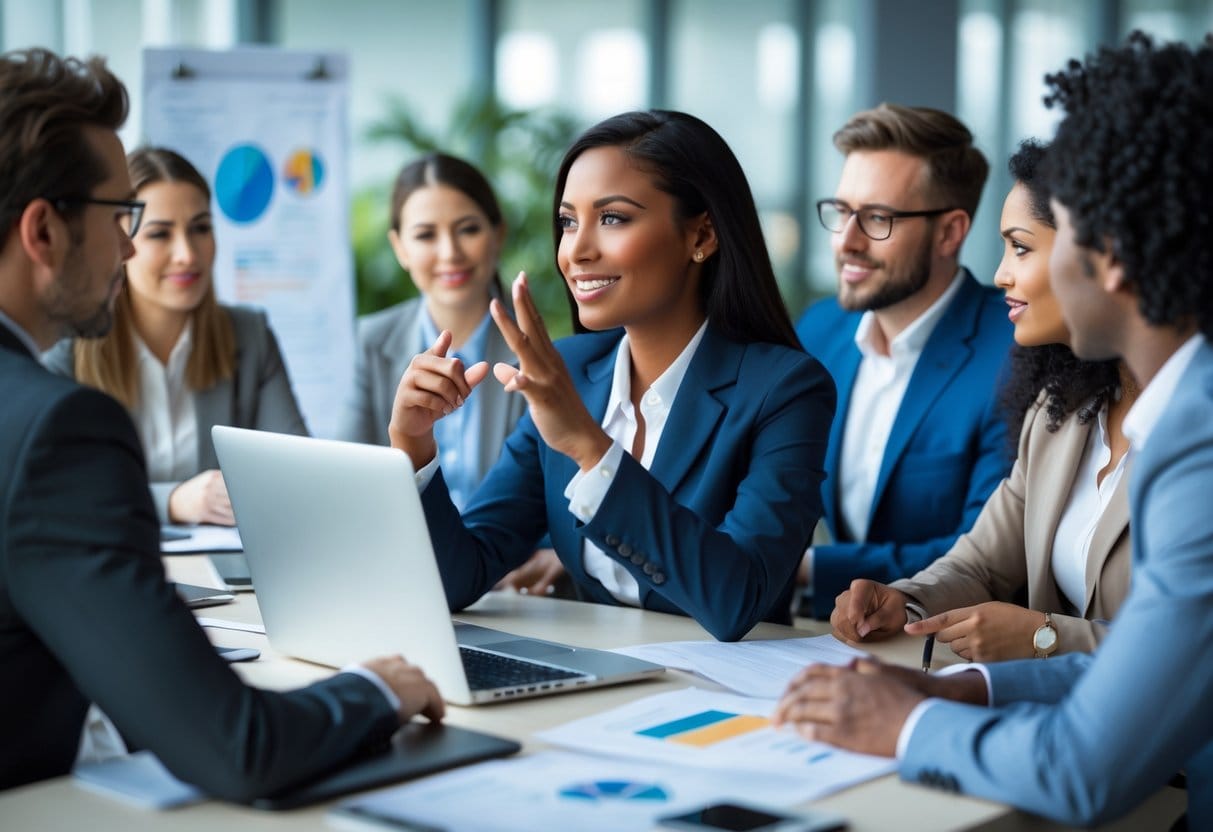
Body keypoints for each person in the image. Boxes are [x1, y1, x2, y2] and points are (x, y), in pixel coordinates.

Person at [774, 32, 1213, 826]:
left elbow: (1084, 767)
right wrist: (956, 680)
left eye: (1034, 242)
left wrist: (907, 722)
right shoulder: (1084, 403)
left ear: (1110, 252)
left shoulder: (1200, 444)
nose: (1001, 273)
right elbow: (1143, 660)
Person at [0, 48, 442, 798]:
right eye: (125, 217)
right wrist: (374, 688)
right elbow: (238, 747)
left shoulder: (240, 334)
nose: (134, 245)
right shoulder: (57, 427)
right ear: (43, 232)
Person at [389, 110, 836, 642]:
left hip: (728, 698)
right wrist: (413, 445)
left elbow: (736, 599)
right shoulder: (571, 370)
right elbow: (459, 576)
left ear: (702, 234)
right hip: (599, 680)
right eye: (568, 221)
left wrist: (589, 446)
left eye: (613, 218)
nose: (576, 251)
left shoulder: (786, 389)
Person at [830, 140, 1133, 662]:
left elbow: (1195, 648)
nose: (1000, 275)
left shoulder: (1193, 428)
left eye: (1020, 247)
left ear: (1103, 253)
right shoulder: (1060, 412)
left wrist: (1045, 637)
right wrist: (904, 600)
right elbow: (981, 564)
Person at [795, 104, 1014, 619]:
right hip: (826, 637)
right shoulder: (819, 329)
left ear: (949, 233)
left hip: (949, 646)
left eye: (876, 218)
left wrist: (802, 566)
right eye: (840, 211)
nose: (845, 241)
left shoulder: (1015, 352)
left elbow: (986, 553)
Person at [43, 147, 306, 526]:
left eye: (200, 228)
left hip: (226, 571)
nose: (187, 254)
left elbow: (297, 473)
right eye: (160, 234)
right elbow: (57, 492)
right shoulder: (67, 347)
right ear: (121, 243)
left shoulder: (250, 336)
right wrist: (171, 502)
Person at [337, 152, 561, 594]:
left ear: (497, 234)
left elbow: (559, 486)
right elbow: (347, 479)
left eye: (468, 229)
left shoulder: (539, 353)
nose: (450, 253)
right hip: (395, 577)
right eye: (425, 235)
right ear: (400, 248)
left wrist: (557, 552)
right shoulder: (371, 340)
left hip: (507, 587)